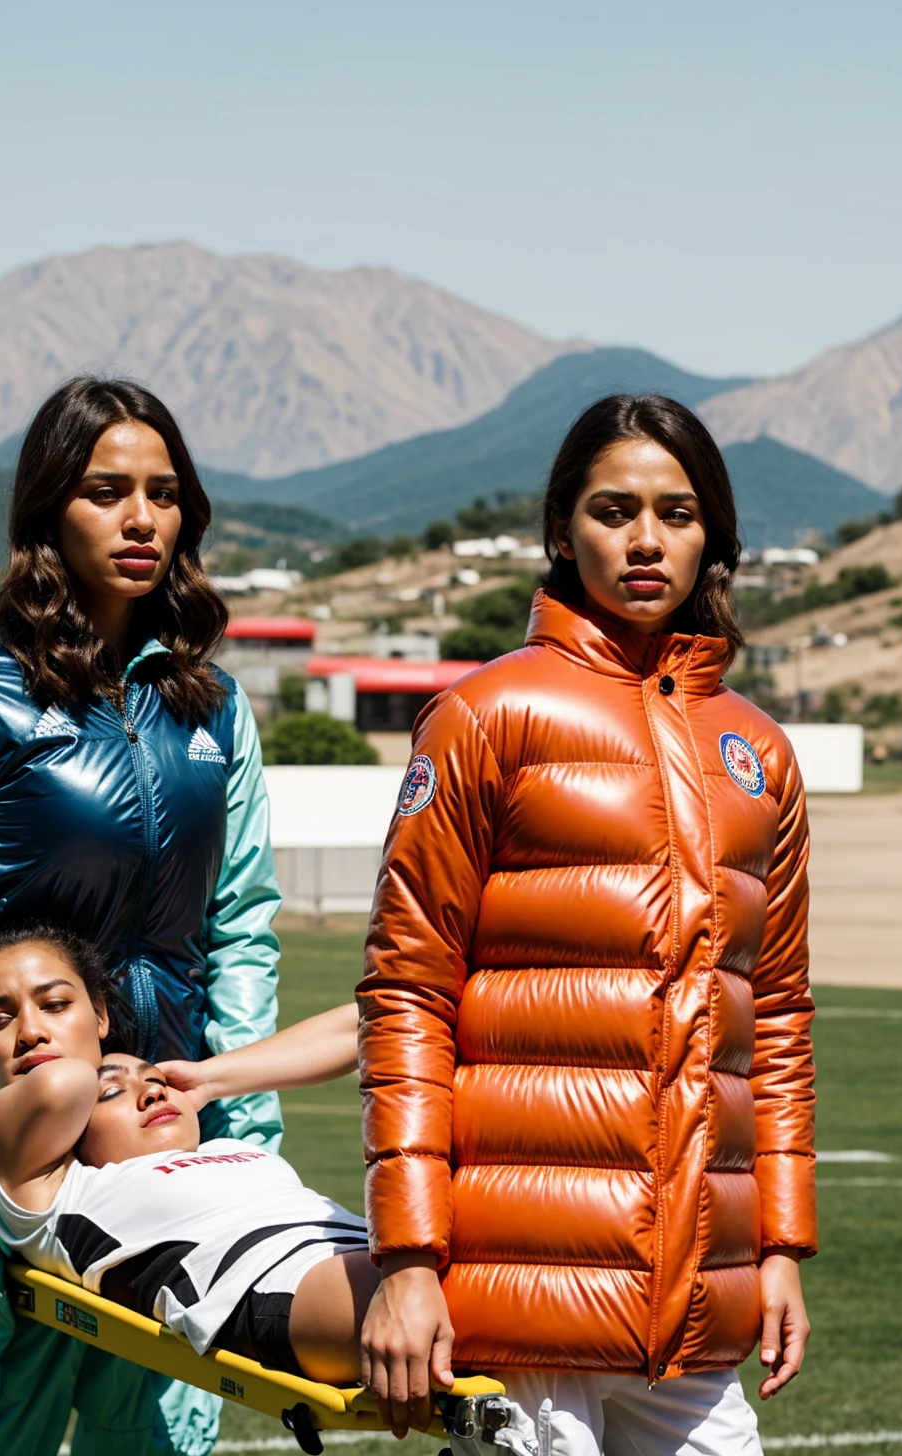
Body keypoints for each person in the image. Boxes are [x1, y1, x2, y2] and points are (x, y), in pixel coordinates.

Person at [0, 378, 284, 1456]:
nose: (141, 520)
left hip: (162, 1129)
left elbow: (244, 929)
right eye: (106, 490)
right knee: (0, 1433)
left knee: (164, 1432)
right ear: (47, 511)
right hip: (14, 1128)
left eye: (164, 494)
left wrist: (245, 1131)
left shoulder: (213, 706)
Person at [357, 395, 816, 1454]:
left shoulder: (761, 753)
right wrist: (411, 1261)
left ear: (717, 539)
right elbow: (408, 993)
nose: (648, 539)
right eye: (615, 510)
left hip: (695, 1316)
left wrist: (781, 1245)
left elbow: (777, 1016)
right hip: (522, 1311)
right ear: (562, 532)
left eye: (679, 512)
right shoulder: (483, 715)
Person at [0, 921, 373, 1383]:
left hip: (387, 1250)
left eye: (54, 1004)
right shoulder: (46, 1183)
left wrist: (208, 1079)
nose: (30, 1032)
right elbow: (59, 1084)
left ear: (98, 1013)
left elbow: (370, 1025)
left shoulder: (225, 1146)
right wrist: (101, 1060)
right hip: (286, 1285)